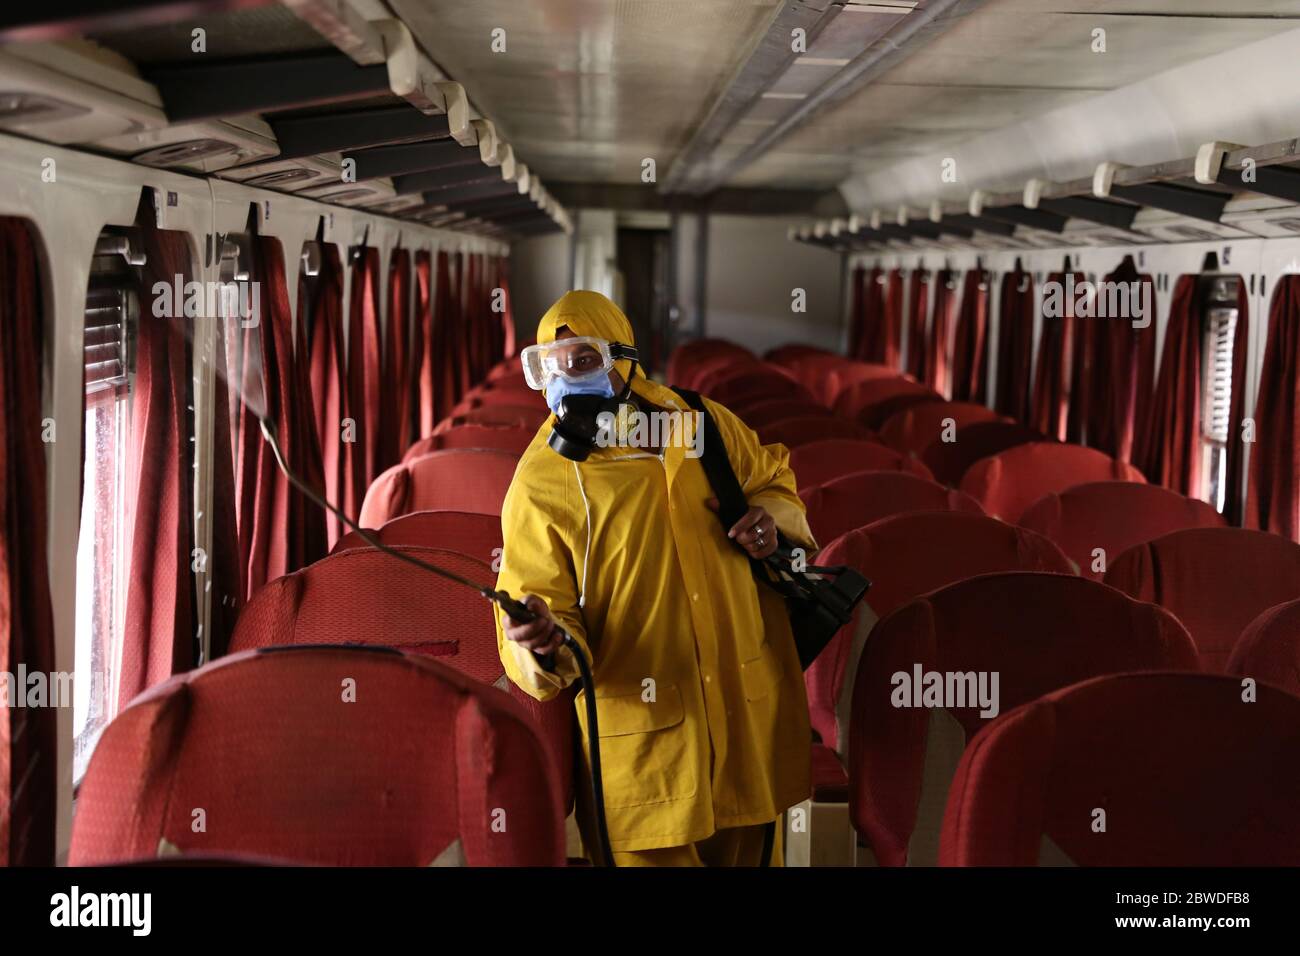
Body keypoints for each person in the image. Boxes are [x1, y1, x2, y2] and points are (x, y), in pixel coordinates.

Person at [494, 290, 815, 866]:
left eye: (583, 361)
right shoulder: (541, 481)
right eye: (549, 367)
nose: (566, 380)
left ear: (624, 360)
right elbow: (534, 606)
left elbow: (774, 481)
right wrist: (544, 642)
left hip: (745, 725)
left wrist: (773, 525)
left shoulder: (706, 427)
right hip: (640, 755)